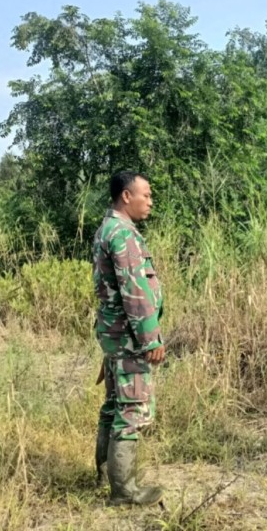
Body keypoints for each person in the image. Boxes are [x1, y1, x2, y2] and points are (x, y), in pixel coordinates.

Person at [92, 171, 166, 506]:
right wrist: (150, 339)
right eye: (146, 195)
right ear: (126, 196)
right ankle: (124, 491)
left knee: (113, 406)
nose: (149, 201)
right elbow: (134, 292)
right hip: (128, 339)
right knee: (132, 408)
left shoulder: (107, 229)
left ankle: (104, 476)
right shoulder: (122, 234)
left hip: (115, 336)